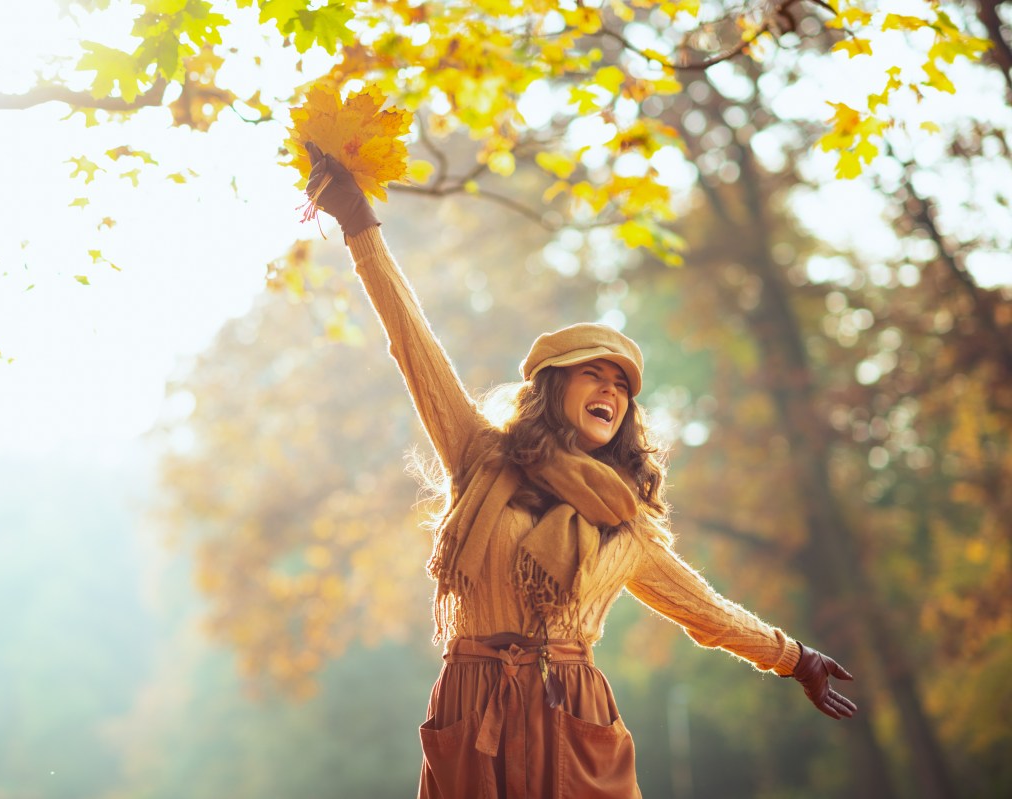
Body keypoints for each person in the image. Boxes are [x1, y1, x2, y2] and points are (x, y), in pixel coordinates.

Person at [302, 143, 857, 799]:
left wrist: (795, 658)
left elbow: (706, 611)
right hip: (473, 704)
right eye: (594, 372)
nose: (611, 390)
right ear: (554, 386)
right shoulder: (481, 454)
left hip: (575, 714)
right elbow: (411, 342)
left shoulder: (627, 524)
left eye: (622, 384)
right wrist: (358, 224)